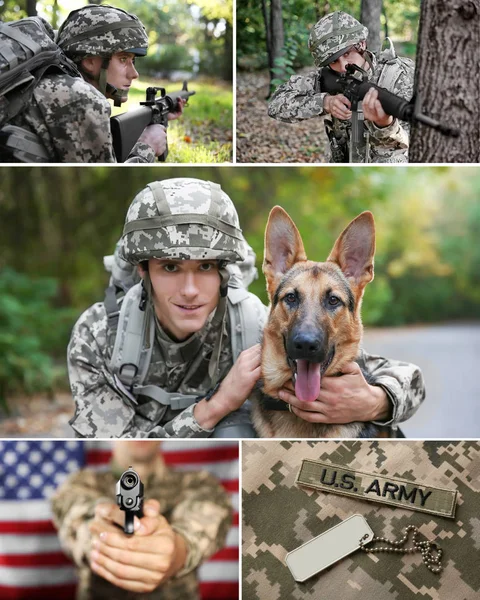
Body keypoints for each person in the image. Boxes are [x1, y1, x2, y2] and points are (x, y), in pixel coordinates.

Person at [67, 177, 425, 438]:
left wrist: (374, 403)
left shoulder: (254, 323)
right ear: (143, 269)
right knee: (233, 429)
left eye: (205, 267)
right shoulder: (100, 336)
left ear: (225, 271)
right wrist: (214, 408)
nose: (190, 290)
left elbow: (404, 378)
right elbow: (113, 460)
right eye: (170, 267)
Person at [51, 440, 233, 599]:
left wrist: (175, 552)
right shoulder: (80, 484)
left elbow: (202, 526)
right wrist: (103, 533)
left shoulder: (199, 484)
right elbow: (78, 521)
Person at [4, 5, 181, 163]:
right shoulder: (80, 97)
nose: (134, 74)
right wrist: (146, 146)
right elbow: (111, 186)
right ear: (90, 61)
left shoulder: (49, 80)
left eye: (133, 61)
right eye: (123, 59)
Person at [268, 11, 414, 163]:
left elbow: (418, 143)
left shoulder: (400, 75)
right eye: (333, 61)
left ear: (362, 44)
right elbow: (275, 104)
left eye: (347, 54)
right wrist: (324, 102)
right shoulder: (330, 76)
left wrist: (385, 125)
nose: (343, 66)